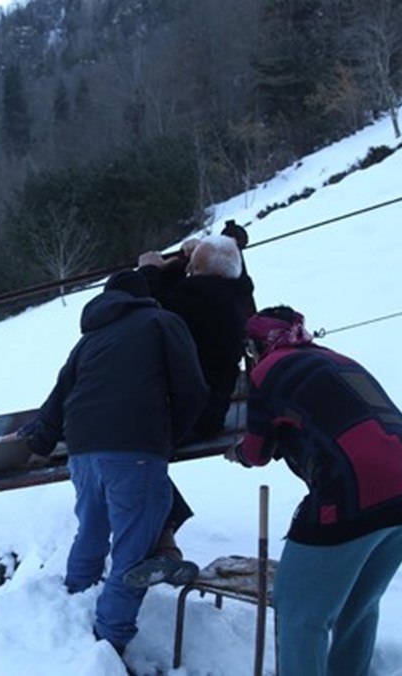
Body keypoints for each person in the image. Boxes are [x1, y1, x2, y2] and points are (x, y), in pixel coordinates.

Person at [226, 305, 402, 676]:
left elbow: (256, 450)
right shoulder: (333, 358)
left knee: (298, 611)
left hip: (357, 486)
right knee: (358, 604)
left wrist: (236, 452)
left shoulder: (267, 370)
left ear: (256, 345)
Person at [20, 269, 208, 655]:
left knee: (91, 529)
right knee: (133, 549)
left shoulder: (87, 341)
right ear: (143, 296)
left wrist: (39, 442)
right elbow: (192, 388)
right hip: (135, 451)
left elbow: (56, 400)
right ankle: (111, 640)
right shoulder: (161, 321)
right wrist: (168, 440)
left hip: (82, 452)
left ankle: (73, 603)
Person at [123, 234, 255, 586]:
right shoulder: (237, 293)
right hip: (208, 407)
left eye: (192, 268)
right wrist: (188, 258)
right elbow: (195, 287)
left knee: (125, 450)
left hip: (188, 415)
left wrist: (149, 270)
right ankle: (163, 540)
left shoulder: (196, 300)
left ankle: (162, 541)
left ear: (198, 273)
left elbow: (148, 307)